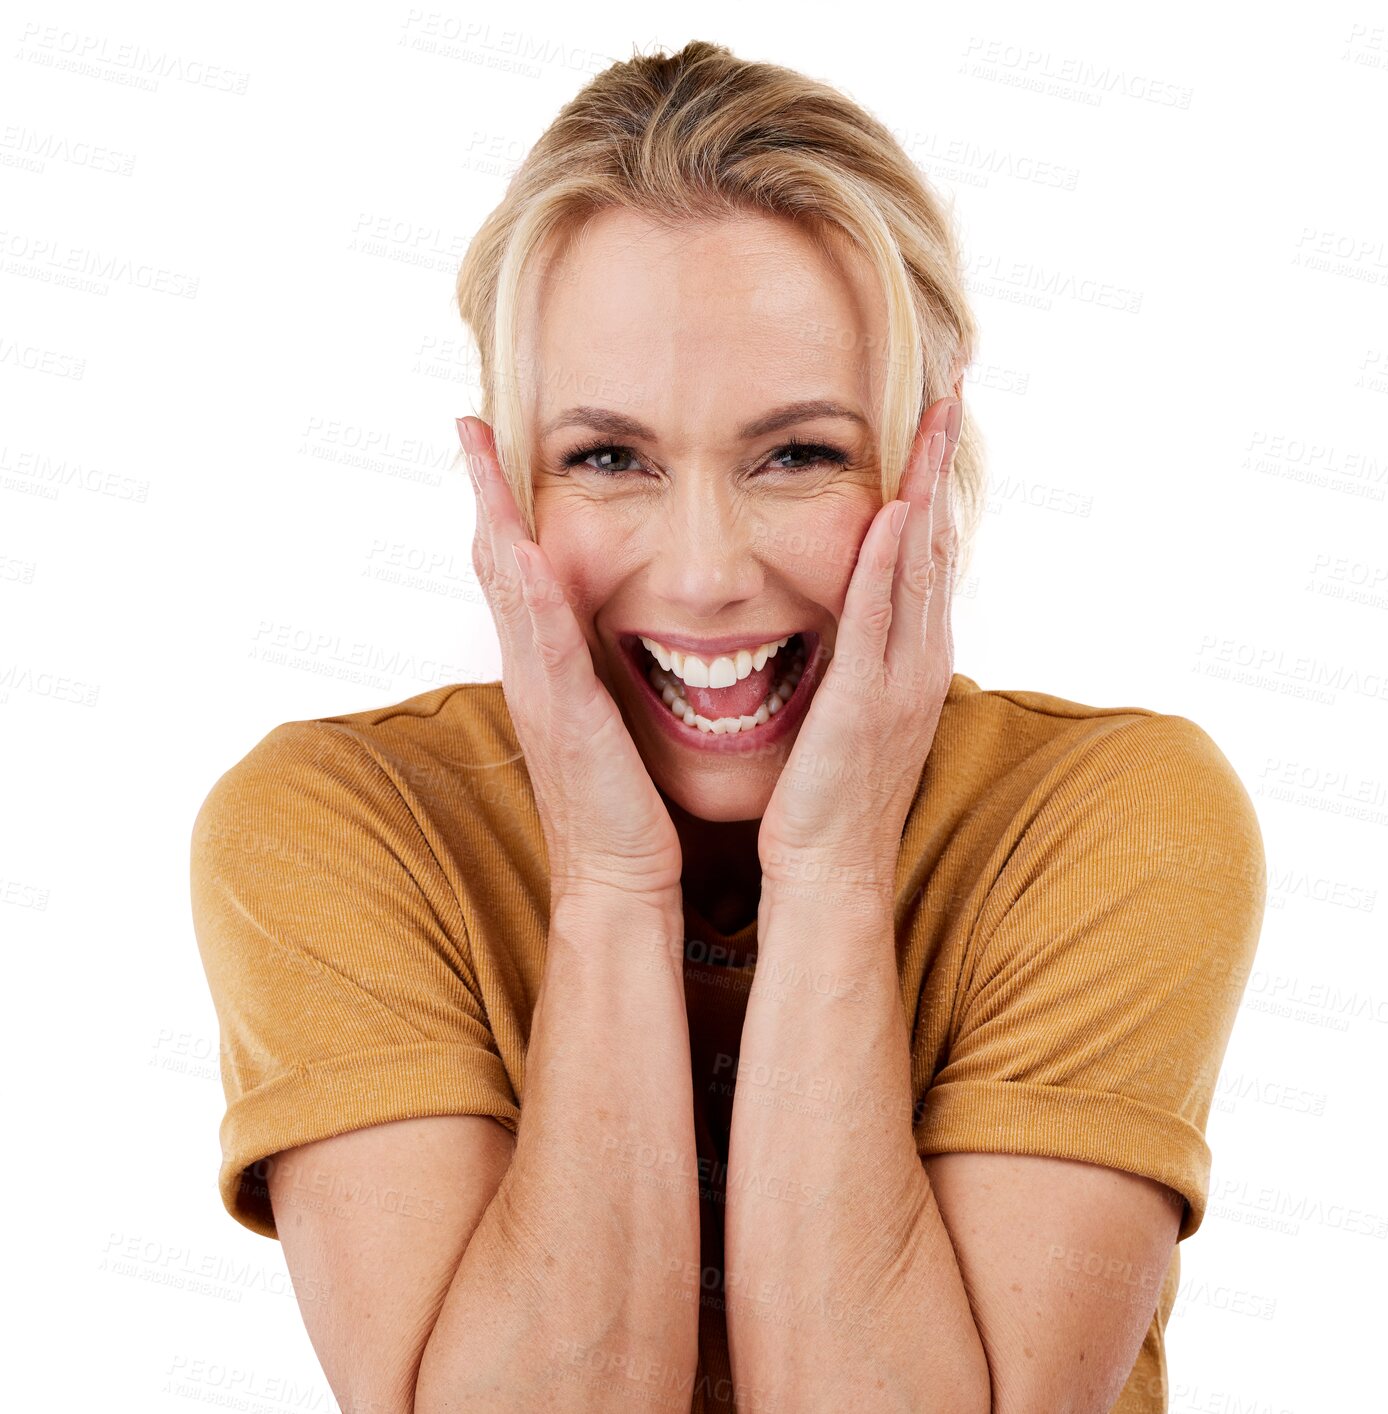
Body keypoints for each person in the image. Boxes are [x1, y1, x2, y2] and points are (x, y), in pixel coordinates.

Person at [190, 40, 1266, 1414]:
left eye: (799, 452)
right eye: (607, 457)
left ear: (927, 462)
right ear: (513, 481)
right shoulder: (334, 826)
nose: (701, 569)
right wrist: (604, 884)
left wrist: (832, 877)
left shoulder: (1110, 817)